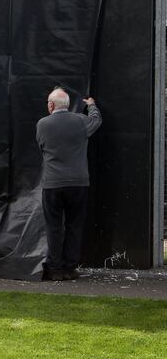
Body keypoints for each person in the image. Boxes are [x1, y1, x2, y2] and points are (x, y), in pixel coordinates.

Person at [35, 88, 102, 281]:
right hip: (79, 182)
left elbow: (41, 146)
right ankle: (70, 268)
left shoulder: (43, 124)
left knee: (54, 227)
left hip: (53, 183)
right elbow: (96, 121)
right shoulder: (80, 121)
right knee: (75, 225)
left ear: (51, 105)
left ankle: (55, 268)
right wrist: (92, 106)